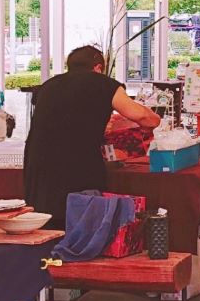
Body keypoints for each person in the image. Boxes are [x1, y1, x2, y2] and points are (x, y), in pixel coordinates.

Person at [23, 45, 160, 228]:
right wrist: (157, 119)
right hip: (77, 164)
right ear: (98, 67)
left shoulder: (48, 86)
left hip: (37, 163)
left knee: (48, 222)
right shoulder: (103, 83)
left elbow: (66, 120)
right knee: (80, 222)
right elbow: (141, 116)